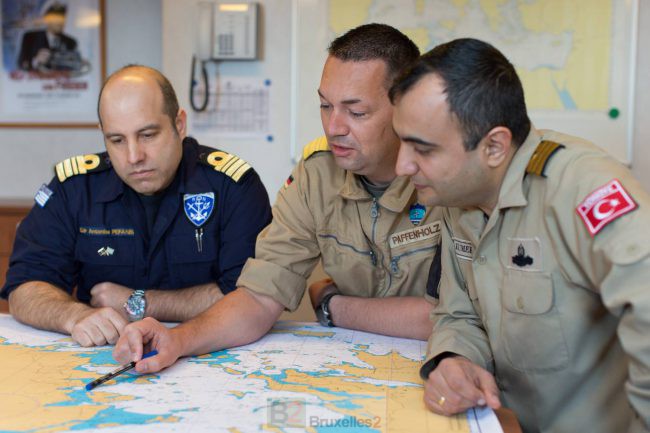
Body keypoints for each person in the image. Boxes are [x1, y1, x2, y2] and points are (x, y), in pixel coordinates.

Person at [112, 23, 442, 374]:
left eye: (356, 112)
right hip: (364, 370)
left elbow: (455, 317)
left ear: (406, 107)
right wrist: (178, 340)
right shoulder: (317, 174)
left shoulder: (448, 174)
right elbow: (258, 298)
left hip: (442, 367)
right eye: (325, 105)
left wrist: (334, 306)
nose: (333, 127)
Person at [390, 38, 650, 433]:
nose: (402, 165)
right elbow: (458, 312)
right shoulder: (455, 196)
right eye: (401, 142)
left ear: (494, 146)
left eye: (422, 150)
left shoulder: (582, 187)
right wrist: (455, 359)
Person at [1, 65, 272, 347]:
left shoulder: (233, 187)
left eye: (148, 135)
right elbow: (24, 287)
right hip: (107, 356)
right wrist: (74, 315)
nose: (133, 156)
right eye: (116, 140)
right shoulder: (74, 189)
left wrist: (139, 303)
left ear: (179, 124)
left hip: (211, 350)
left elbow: (252, 297)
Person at [17, 2, 81, 72]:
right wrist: (36, 61)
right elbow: (21, 65)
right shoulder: (30, 37)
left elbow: (75, 69)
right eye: (55, 19)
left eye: (62, 19)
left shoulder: (71, 42)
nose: (60, 23)